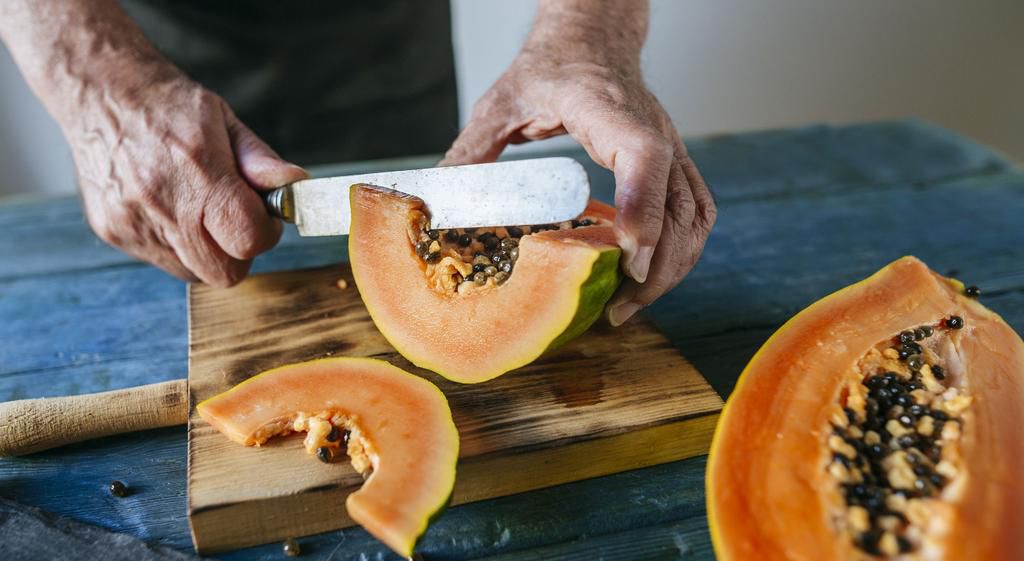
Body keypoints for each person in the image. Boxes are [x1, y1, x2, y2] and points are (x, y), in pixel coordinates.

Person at [0, 0, 715, 326]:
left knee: (440, 207)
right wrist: (96, 82)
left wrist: (585, 37)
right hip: (155, 59)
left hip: (386, 52)